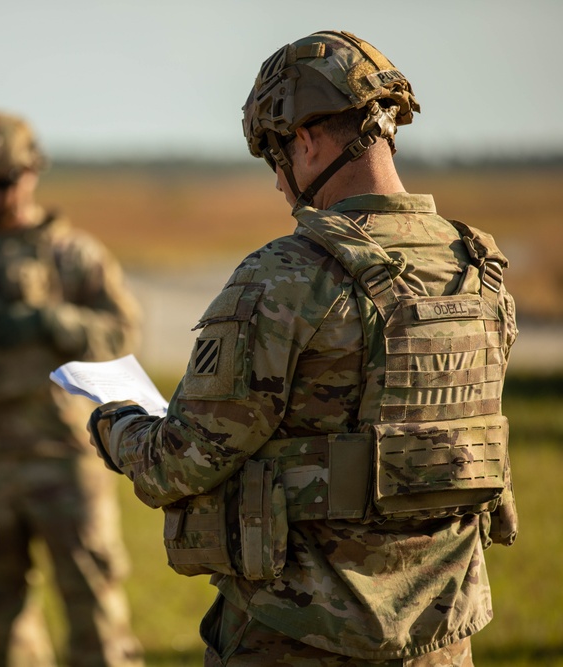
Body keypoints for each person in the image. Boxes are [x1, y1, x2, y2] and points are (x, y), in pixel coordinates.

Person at [88, 30, 519, 666]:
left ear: (308, 141)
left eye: (276, 156)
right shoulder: (478, 268)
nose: (280, 182)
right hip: (442, 641)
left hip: (296, 635)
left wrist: (114, 423)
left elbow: (179, 462)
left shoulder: (286, 276)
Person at [0, 111, 144, 667]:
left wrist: (50, 323)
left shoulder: (72, 255)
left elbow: (121, 331)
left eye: (2, 182)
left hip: (65, 459)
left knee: (95, 615)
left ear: (31, 175)